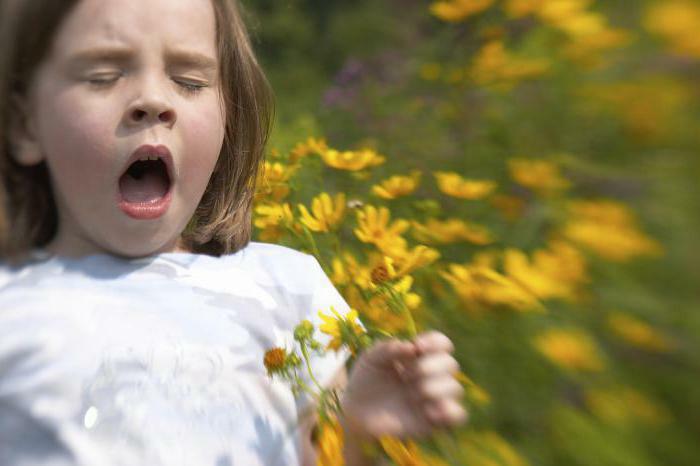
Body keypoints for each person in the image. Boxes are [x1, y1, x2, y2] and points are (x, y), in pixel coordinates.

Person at [0, 0, 467, 464]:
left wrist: (358, 433)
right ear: (25, 124)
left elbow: (320, 455)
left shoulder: (285, 287)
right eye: (103, 76)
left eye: (190, 81)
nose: (153, 101)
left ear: (229, 115)